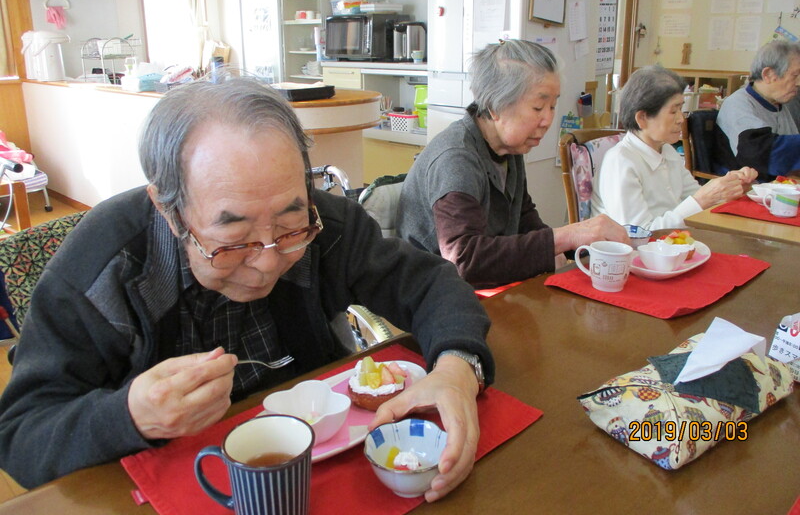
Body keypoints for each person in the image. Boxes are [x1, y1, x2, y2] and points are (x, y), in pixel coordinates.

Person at [0, 78, 494, 501]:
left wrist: (457, 367)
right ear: (169, 210)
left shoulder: (325, 223)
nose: (268, 261)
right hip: (165, 487)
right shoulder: (101, 269)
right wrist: (129, 415)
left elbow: (429, 283)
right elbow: (20, 434)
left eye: (289, 226)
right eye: (233, 240)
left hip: (314, 473)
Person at [396, 39, 628, 289]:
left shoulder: (509, 148)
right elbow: (464, 259)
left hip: (481, 288)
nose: (548, 120)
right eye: (538, 107)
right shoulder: (456, 159)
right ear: (495, 107)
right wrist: (566, 236)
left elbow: (524, 221)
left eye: (552, 106)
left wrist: (579, 244)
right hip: (431, 293)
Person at [592, 66, 757, 229]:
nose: (681, 119)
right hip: (643, 245)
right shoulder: (621, 161)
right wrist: (702, 200)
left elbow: (694, 199)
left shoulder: (667, 150)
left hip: (676, 240)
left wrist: (729, 189)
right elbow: (636, 234)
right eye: (673, 111)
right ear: (642, 118)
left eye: (681, 109)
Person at [716, 39, 800, 180]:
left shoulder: (778, 104)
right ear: (768, 74)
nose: (798, 83)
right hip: (747, 186)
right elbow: (762, 154)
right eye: (795, 75)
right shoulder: (738, 104)